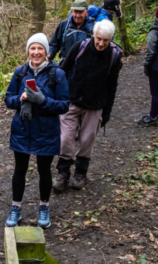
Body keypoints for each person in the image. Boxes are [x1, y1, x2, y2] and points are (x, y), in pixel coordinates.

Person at [4, 33, 69, 228]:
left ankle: (44, 206)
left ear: (47, 52)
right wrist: (21, 99)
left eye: (40, 48)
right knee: (20, 170)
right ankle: (16, 207)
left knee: (44, 170)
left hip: (46, 130)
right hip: (22, 129)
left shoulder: (57, 74)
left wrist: (42, 101)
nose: (36, 52)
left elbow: (64, 105)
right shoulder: (20, 72)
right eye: (32, 48)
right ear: (28, 51)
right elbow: (8, 99)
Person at [53, 20, 123, 191]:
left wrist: (106, 112)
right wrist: (58, 97)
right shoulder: (79, 47)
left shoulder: (114, 56)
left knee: (86, 141)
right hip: (71, 102)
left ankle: (80, 173)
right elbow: (62, 70)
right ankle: (63, 173)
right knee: (65, 140)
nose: (101, 43)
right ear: (93, 34)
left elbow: (112, 86)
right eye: (99, 38)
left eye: (105, 40)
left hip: (95, 106)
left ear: (110, 39)